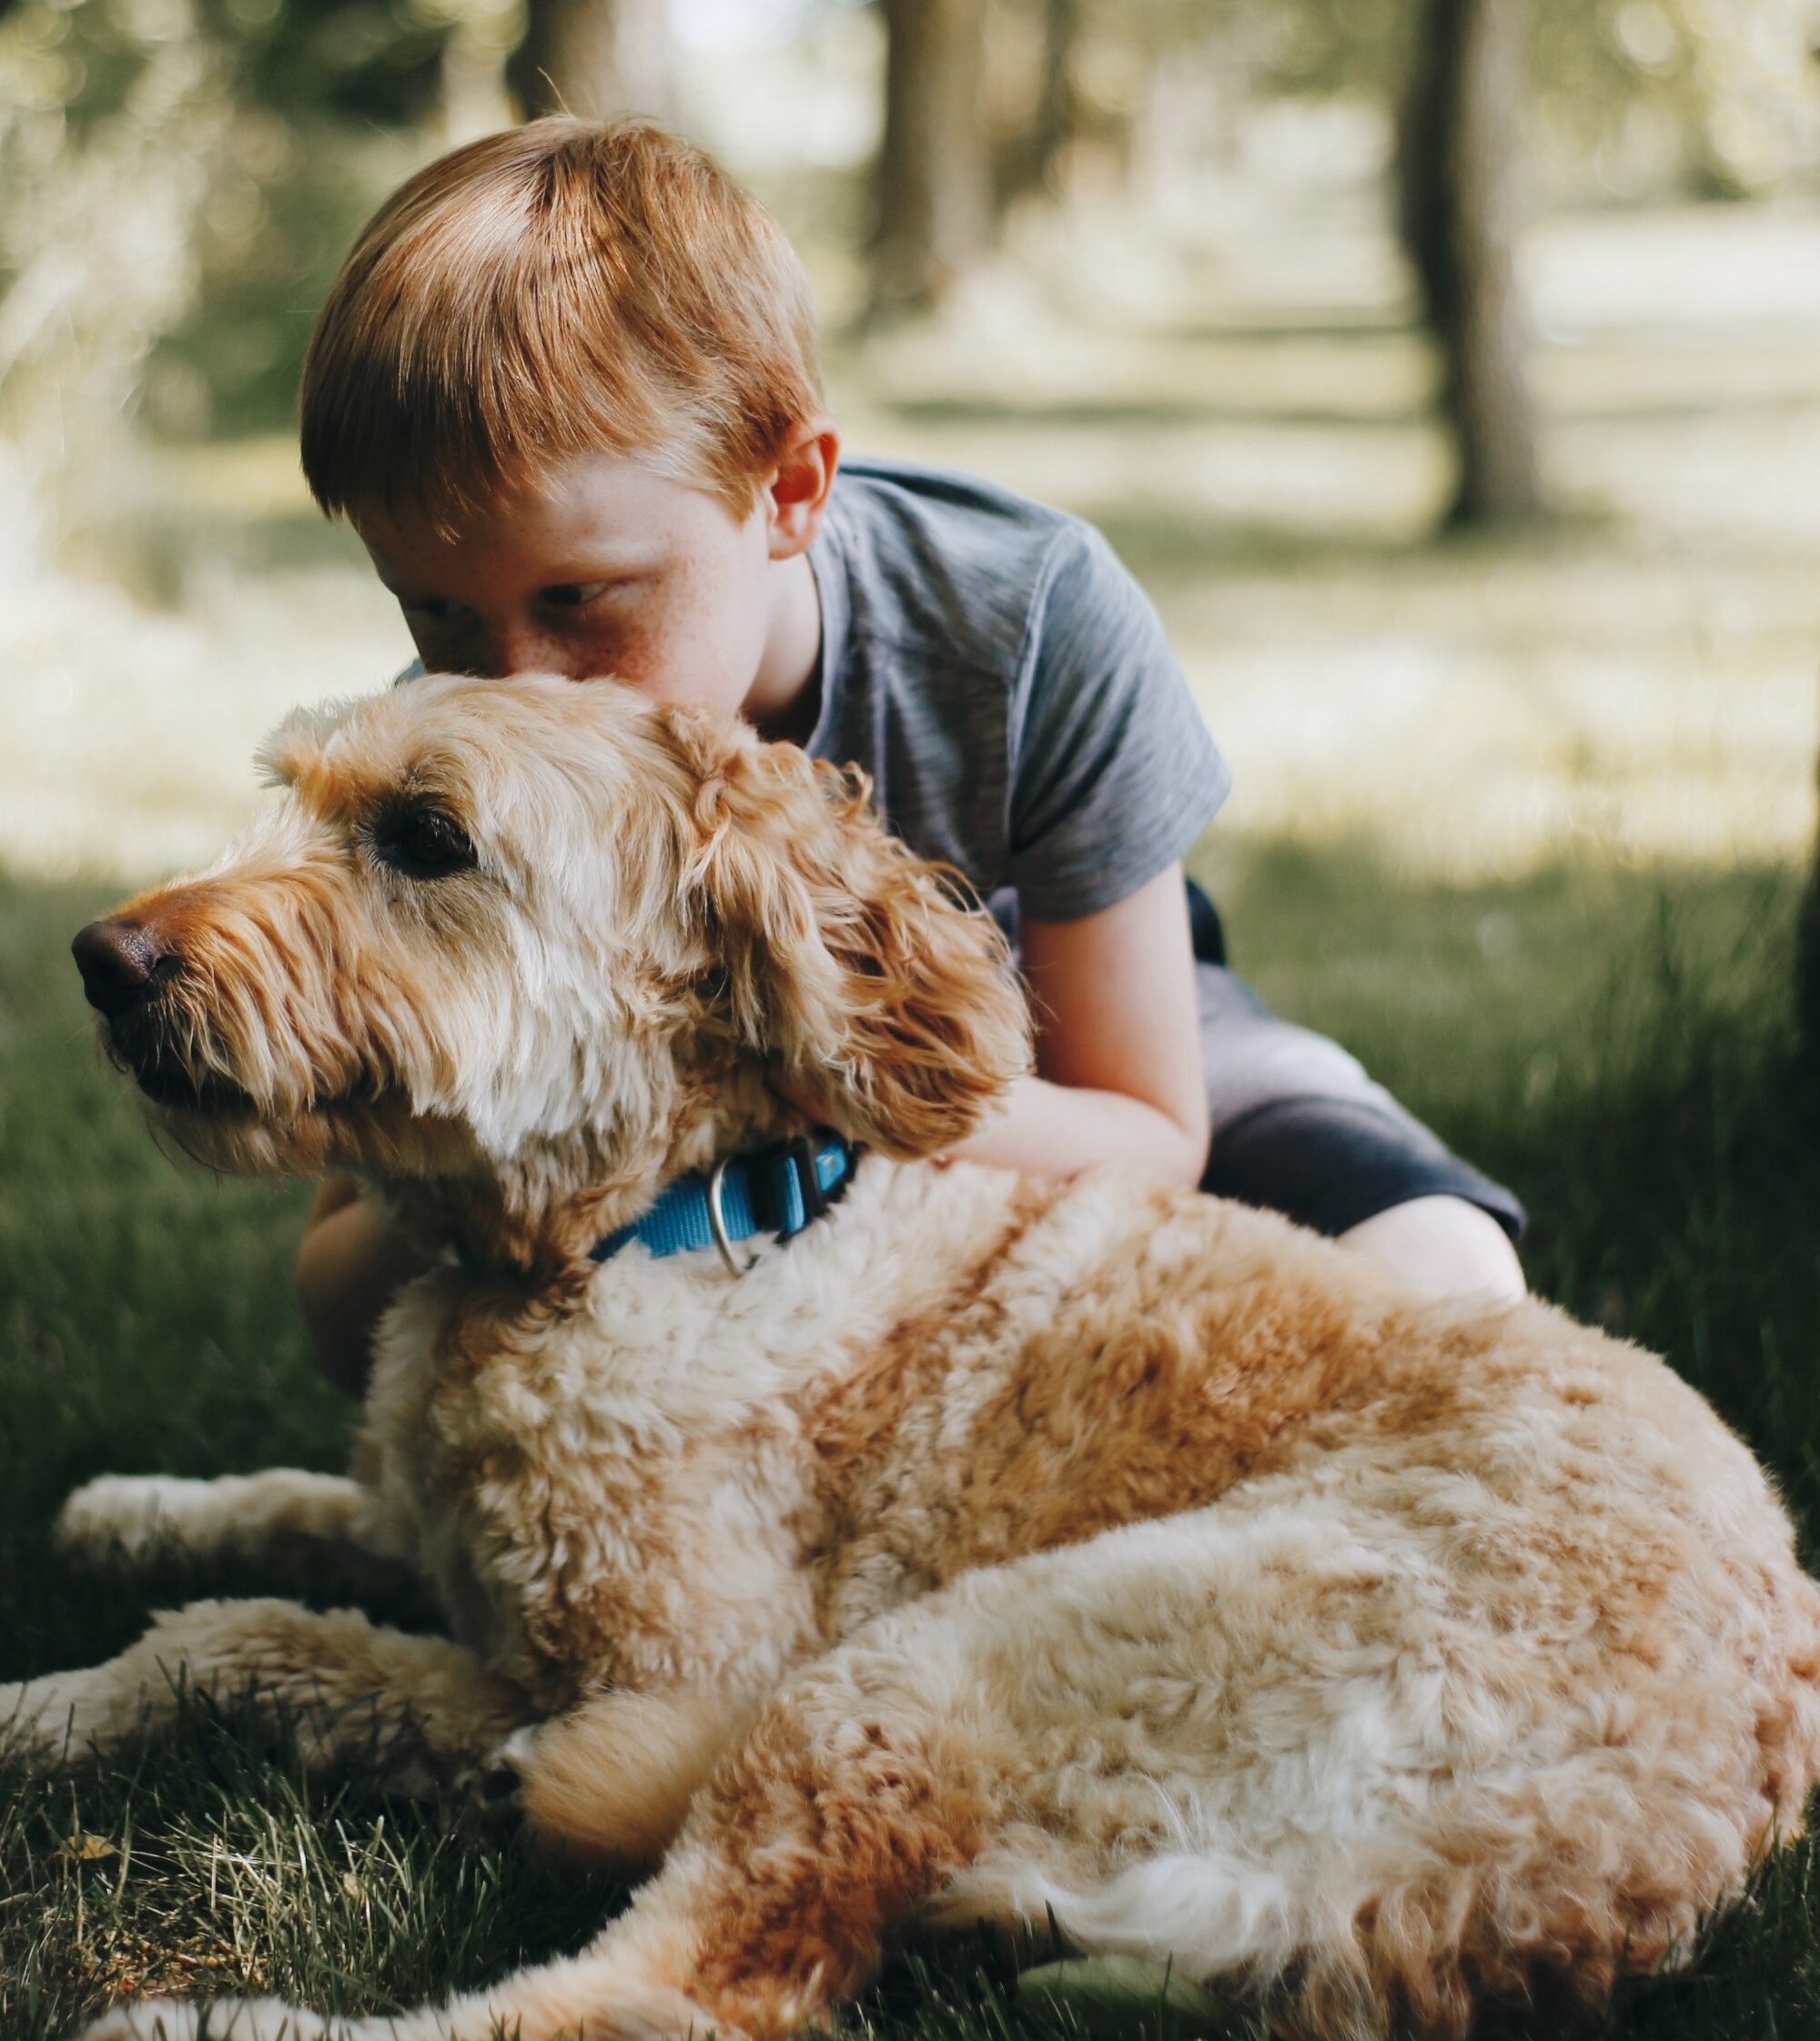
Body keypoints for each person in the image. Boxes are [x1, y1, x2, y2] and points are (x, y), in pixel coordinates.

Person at [289, 116, 1526, 1395]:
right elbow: (339, 1302)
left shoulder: (1025, 622)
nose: (512, 687)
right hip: (662, 1159)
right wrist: (478, 1149)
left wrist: (823, 1078)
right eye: (434, 612)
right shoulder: (446, 783)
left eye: (580, 600)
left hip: (1057, 1039)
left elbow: (1151, 1131)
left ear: (788, 492)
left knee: (1449, 1270)